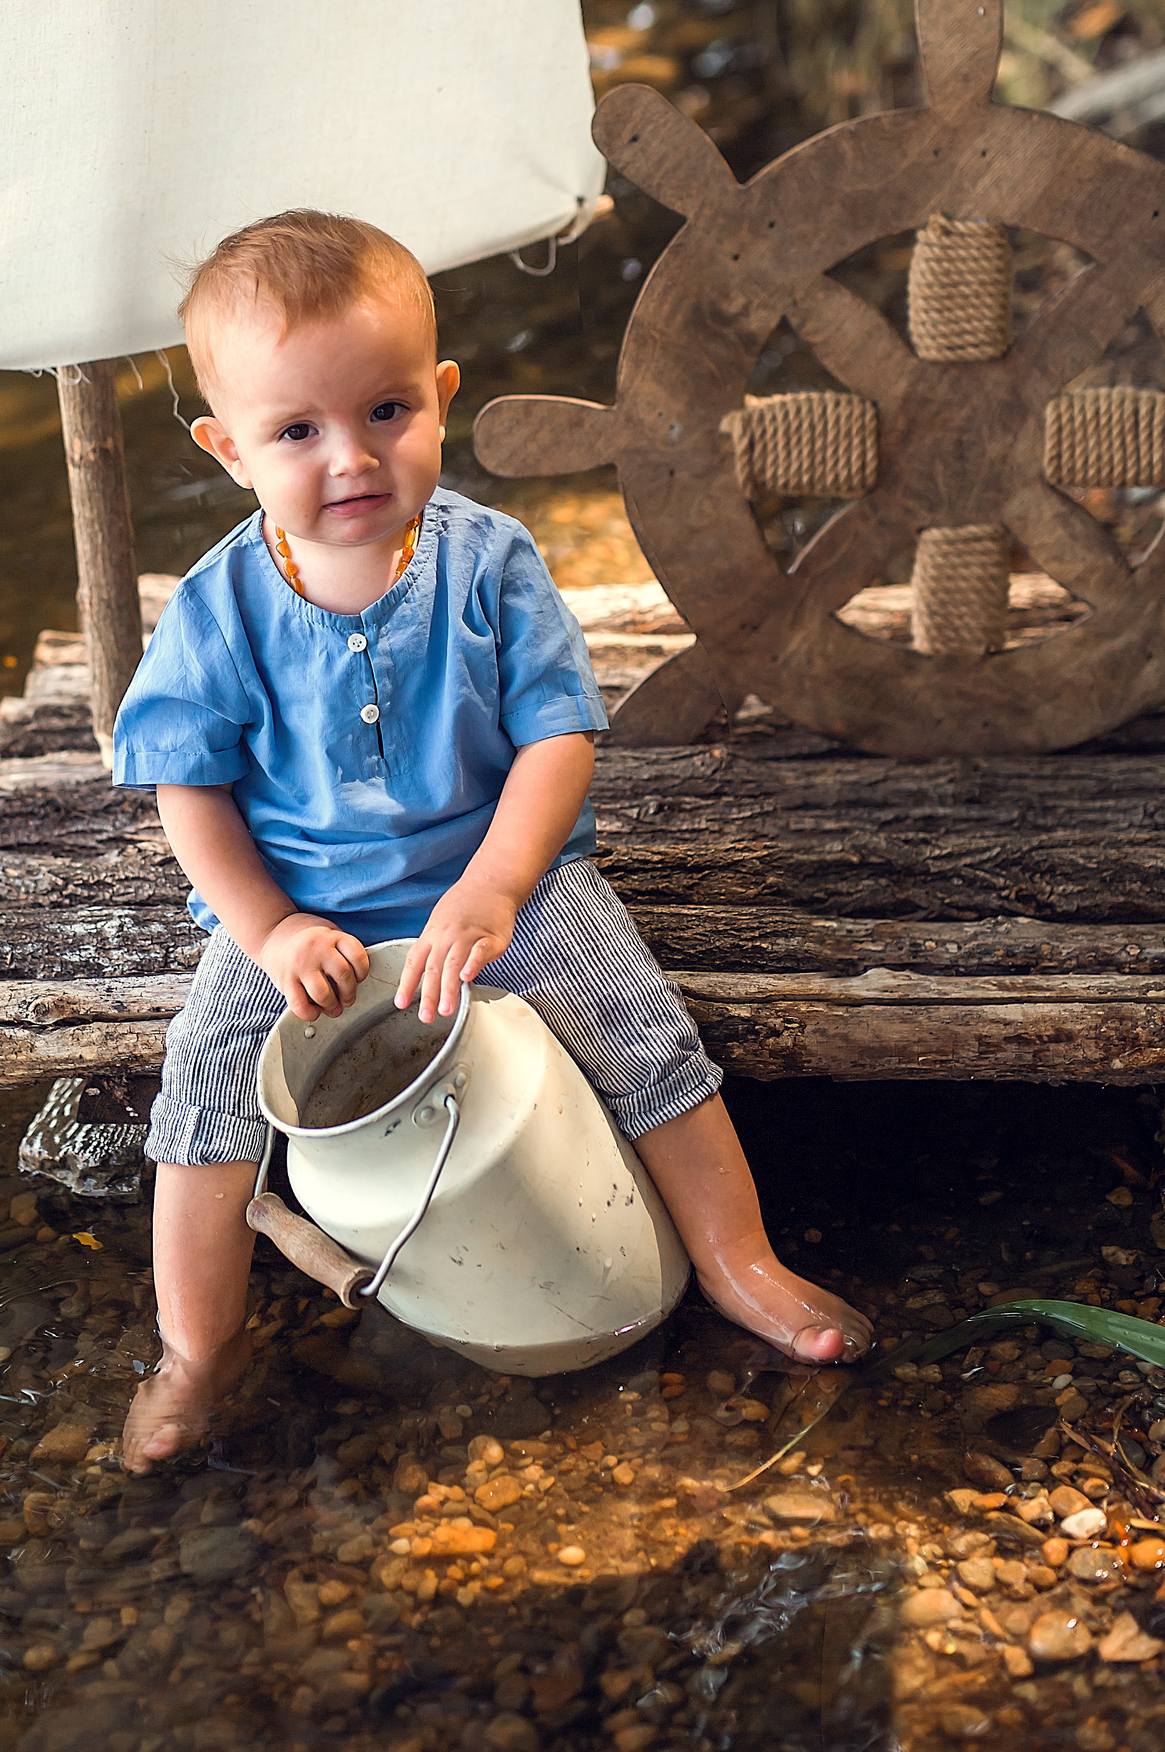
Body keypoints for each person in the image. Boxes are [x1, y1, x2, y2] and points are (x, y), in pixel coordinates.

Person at [113, 210, 870, 1470]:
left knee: (638, 1026)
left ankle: (743, 1260)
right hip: (303, 909)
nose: (349, 457)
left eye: (387, 410)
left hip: (498, 875)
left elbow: (554, 742)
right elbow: (187, 790)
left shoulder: (487, 563)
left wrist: (498, 883)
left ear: (443, 395)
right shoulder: (218, 610)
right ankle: (196, 1347)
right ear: (228, 449)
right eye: (297, 431)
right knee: (201, 1089)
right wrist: (269, 925)